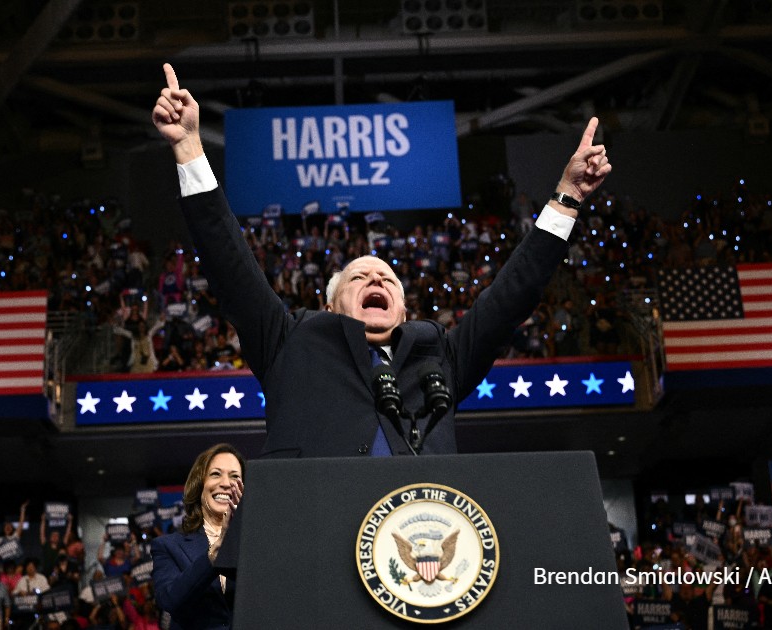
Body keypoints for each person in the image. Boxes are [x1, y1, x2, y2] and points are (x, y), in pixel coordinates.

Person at [152, 63, 610, 457]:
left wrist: (567, 197)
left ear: (405, 311)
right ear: (331, 308)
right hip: (310, 534)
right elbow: (229, 265)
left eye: (388, 279)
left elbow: (514, 294)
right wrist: (189, 147)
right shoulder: (291, 342)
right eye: (359, 277)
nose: (377, 279)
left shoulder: (439, 354)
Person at [151, 443, 244, 630]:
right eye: (216, 474)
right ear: (199, 485)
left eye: (235, 476)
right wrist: (214, 554)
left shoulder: (260, 544)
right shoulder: (167, 546)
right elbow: (170, 600)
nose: (226, 483)